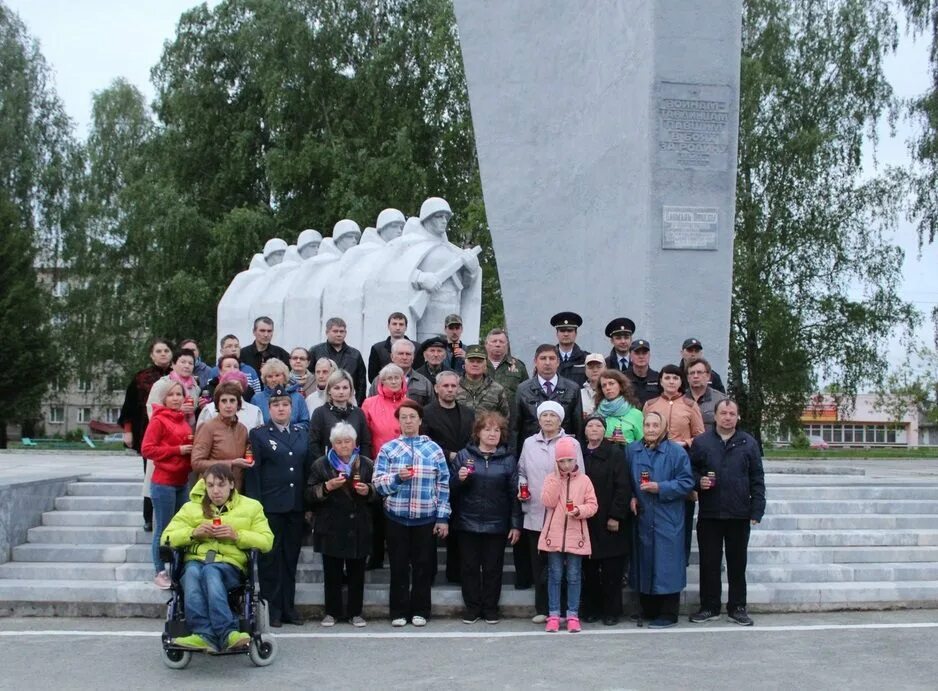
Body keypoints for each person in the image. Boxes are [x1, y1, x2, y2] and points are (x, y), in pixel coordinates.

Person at [161, 463, 274, 653]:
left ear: (231, 484)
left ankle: (225, 632)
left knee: (210, 570)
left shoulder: (251, 507)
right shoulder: (191, 508)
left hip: (230, 566)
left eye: (221, 485)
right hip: (197, 561)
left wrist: (237, 536)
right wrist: (192, 533)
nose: (215, 490)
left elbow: (267, 540)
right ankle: (205, 634)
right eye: (211, 485)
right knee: (192, 572)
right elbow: (167, 537)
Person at [372, 400, 451, 627]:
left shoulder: (434, 449)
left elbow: (443, 484)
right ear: (398, 421)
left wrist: (443, 517)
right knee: (398, 567)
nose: (408, 421)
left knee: (423, 566)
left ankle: (421, 611)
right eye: (404, 417)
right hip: (396, 517)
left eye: (412, 417)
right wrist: (397, 478)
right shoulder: (389, 449)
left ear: (420, 420)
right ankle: (398, 611)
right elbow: (377, 484)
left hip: (426, 518)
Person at [689, 399, 765, 627]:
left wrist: (757, 508)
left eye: (732, 413)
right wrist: (697, 481)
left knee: (737, 563)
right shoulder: (702, 442)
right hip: (710, 512)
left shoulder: (748, 443)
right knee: (709, 563)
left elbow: (757, 479)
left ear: (738, 417)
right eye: (723, 413)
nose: (728, 417)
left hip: (739, 513)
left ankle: (737, 607)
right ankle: (709, 606)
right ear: (715, 415)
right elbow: (689, 470)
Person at [244, 387, 312, 627]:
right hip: (270, 507)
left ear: (292, 408)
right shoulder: (259, 435)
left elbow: (307, 469)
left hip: (295, 506)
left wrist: (308, 505)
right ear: (269, 408)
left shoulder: (302, 433)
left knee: (290, 559)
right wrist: (256, 506)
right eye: (276, 405)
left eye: (285, 405)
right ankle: (270, 610)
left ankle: (288, 608)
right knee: (270, 560)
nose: (281, 409)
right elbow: (253, 473)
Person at [517, 400, 584, 623]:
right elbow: (522, 471)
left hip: (564, 516)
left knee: (565, 566)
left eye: (552, 416)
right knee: (540, 565)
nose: (548, 419)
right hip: (536, 509)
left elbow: (580, 475)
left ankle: (567, 609)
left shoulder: (571, 443)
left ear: (560, 419)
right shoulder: (528, 443)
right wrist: (522, 487)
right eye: (544, 415)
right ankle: (544, 609)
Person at [451, 411, 520, 624]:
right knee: (469, 568)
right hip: (467, 522)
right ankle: (472, 608)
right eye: (487, 429)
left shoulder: (508, 459)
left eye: (497, 430)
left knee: (493, 569)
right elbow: (450, 488)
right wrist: (459, 479)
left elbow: (514, 494)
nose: (492, 434)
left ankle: (490, 608)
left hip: (497, 523)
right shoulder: (464, 455)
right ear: (478, 432)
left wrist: (515, 524)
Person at [305, 422, 377, 627]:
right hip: (331, 525)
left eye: (348, 441)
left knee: (357, 573)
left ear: (355, 443)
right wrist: (326, 487)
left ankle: (356, 612)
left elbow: (378, 492)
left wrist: (368, 491)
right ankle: (332, 612)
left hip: (359, 525)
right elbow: (309, 494)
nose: (344, 445)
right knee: (332, 572)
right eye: (339, 442)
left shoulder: (366, 464)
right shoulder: (321, 464)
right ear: (332, 445)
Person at [628, 411, 694, 628]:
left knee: (667, 564)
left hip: (668, 515)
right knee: (645, 561)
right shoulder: (632, 450)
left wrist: (661, 487)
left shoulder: (676, 452)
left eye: (656, 425)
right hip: (643, 516)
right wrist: (631, 497)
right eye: (647, 425)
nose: (651, 429)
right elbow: (625, 478)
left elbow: (686, 482)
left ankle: (668, 613)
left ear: (664, 427)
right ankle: (648, 609)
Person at [643, 364, 705, 560]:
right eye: (667, 378)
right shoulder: (650, 404)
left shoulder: (689, 405)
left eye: (675, 378)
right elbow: (643, 432)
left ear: (681, 382)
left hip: (681, 463)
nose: (671, 382)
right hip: (654, 463)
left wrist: (683, 443)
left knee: (682, 514)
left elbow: (700, 436)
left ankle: (682, 559)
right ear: (660, 380)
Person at [538, 436, 598, 633]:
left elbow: (593, 505)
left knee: (573, 576)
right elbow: (548, 501)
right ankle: (554, 614)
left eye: (569, 460)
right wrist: (556, 479)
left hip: (576, 535)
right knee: (554, 575)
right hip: (554, 535)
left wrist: (579, 510)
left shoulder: (585, 480)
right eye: (561, 461)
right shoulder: (550, 478)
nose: (566, 464)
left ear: (575, 460)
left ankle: (573, 614)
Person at [421, 370, 476, 583]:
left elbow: (473, 440)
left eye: (454, 386)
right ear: (436, 388)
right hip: (435, 475)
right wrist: (450, 455)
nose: (450, 389)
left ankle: (455, 573)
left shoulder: (469, 413)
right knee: (431, 529)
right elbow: (425, 441)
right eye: (446, 386)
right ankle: (430, 575)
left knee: (459, 526)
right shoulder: (426, 412)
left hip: (463, 475)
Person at [580, 414, 632, 625]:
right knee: (589, 569)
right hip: (586, 519)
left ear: (605, 430)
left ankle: (612, 611)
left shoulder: (615, 453)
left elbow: (623, 486)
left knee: (612, 570)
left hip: (609, 519)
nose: (594, 429)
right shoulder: (579, 453)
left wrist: (616, 515)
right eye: (590, 425)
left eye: (598, 426)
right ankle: (592, 609)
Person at [141, 380, 193, 589]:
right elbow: (147, 450)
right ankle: (160, 571)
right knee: (163, 529)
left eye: (179, 394)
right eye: (171, 395)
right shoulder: (158, 420)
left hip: (182, 481)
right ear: (163, 398)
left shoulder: (182, 420)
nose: (176, 398)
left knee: (180, 528)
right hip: (164, 482)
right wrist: (177, 450)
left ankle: (178, 569)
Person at [118, 337, 173, 531]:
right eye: (158, 351)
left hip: (174, 433)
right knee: (150, 476)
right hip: (147, 432)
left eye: (166, 350)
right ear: (151, 355)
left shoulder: (177, 376)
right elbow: (129, 406)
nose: (163, 354)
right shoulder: (141, 377)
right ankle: (149, 517)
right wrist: (128, 431)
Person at [361, 363, 407, 569]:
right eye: (389, 378)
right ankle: (376, 556)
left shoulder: (410, 403)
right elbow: (365, 435)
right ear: (382, 382)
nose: (394, 381)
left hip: (405, 467)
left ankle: (401, 557)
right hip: (378, 464)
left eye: (397, 377)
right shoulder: (370, 403)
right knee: (377, 514)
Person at [511, 344, 582, 453]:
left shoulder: (572, 388)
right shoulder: (523, 389)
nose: (547, 363)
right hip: (532, 450)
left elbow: (578, 426)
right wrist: (513, 457)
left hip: (563, 451)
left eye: (552, 358)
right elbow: (514, 427)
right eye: (543, 358)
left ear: (558, 362)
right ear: (535, 361)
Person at [191, 382, 252, 491]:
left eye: (232, 401)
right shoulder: (208, 427)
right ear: (217, 404)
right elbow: (196, 463)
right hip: (213, 491)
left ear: (238, 404)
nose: (228, 405)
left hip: (236, 490)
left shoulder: (242, 429)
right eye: (224, 401)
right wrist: (231, 463)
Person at [309, 369, 373, 458]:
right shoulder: (319, 413)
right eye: (337, 388)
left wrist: (361, 467)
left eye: (345, 388)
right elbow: (313, 444)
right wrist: (323, 467)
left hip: (355, 467)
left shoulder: (358, 413)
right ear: (329, 390)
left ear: (351, 390)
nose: (341, 392)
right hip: (327, 467)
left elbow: (365, 443)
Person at [309, 317, 368, 404]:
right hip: (321, 402)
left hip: (348, 403)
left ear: (345, 333)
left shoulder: (355, 355)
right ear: (327, 332)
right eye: (335, 331)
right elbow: (310, 378)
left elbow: (361, 384)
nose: (339, 334)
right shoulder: (316, 351)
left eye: (341, 331)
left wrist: (357, 405)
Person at [367, 339, 434, 406]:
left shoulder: (424, 383)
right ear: (392, 356)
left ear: (413, 357)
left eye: (408, 354)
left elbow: (430, 411)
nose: (404, 357)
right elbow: (371, 406)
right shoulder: (379, 380)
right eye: (400, 354)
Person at [253, 359, 310, 430]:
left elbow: (305, 423)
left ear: (284, 376)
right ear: (265, 380)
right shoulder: (257, 399)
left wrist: (288, 430)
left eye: (277, 375)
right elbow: (254, 425)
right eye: (270, 376)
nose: (274, 379)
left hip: (293, 438)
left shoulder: (298, 397)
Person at [146, 349, 200, 423]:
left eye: (190, 363)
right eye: (183, 362)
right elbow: (153, 411)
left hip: (188, 430)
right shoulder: (162, 384)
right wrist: (177, 410)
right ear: (173, 364)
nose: (187, 366)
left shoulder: (195, 387)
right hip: (166, 429)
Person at [457, 344, 510, 419]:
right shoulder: (454, 386)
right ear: (465, 364)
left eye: (479, 362)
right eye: (471, 361)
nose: (475, 364)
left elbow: (504, 419)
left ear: (485, 365)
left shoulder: (497, 389)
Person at [595, 369, 645, 445]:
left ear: (621, 386)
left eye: (611, 383)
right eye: (604, 385)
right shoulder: (597, 413)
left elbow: (643, 444)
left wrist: (627, 442)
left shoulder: (635, 414)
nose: (607, 388)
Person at [484, 328, 528, 406]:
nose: (498, 344)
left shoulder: (518, 366)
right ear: (486, 344)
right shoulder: (478, 365)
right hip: (484, 414)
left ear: (507, 345)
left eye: (501, 342)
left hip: (511, 414)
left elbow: (527, 392)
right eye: (494, 341)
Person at [368, 312, 414, 382]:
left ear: (406, 327)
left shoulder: (416, 347)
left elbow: (418, 373)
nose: (398, 328)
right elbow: (372, 377)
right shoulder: (377, 348)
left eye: (401, 324)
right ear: (388, 326)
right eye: (394, 324)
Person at [685, 357, 727, 432]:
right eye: (692, 373)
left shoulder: (721, 400)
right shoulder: (680, 400)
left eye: (699, 372)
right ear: (688, 378)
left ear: (708, 376)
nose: (695, 376)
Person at [552, 311, 589, 387]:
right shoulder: (549, 359)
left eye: (570, 330)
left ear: (576, 333)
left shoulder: (586, 359)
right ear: (557, 334)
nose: (566, 334)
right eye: (562, 331)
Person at [625, 339, 661, 406]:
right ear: (630, 356)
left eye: (644, 353)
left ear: (649, 355)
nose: (641, 356)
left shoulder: (658, 378)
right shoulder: (623, 378)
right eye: (637, 353)